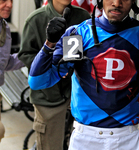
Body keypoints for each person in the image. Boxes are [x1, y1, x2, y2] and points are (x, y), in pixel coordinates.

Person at [27, 0, 139, 149]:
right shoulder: (78, 33)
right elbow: (37, 82)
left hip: (126, 139)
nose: (117, 3)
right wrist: (49, 44)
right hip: (84, 138)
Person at [17, 0, 90, 149]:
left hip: (77, 96)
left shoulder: (83, 17)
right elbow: (25, 54)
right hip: (48, 98)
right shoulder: (35, 19)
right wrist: (51, 61)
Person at [0, 0, 25, 142]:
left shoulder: (4, 27)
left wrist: (30, 56)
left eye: (11, 0)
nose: (9, 5)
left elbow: (4, 62)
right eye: (3, 1)